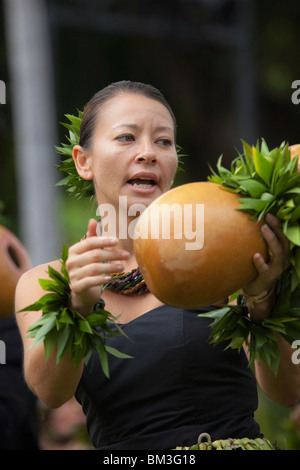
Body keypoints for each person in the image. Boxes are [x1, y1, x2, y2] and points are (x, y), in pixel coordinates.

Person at [15, 80, 300, 450]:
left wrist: (263, 301)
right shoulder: (45, 283)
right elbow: (50, 391)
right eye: (126, 138)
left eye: (163, 141)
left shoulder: (227, 252)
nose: (148, 152)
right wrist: (78, 306)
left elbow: (288, 391)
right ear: (83, 161)